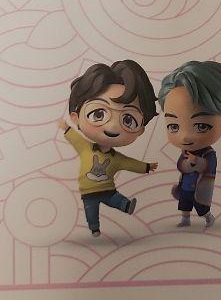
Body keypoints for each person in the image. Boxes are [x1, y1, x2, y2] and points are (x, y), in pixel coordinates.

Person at [59, 59, 159, 237]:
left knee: (116, 199)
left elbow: (130, 163)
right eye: (98, 113)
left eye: (128, 119)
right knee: (91, 211)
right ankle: (94, 228)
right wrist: (66, 128)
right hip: (88, 192)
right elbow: (75, 138)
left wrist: (146, 167)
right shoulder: (85, 148)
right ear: (76, 117)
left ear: (141, 128)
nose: (112, 127)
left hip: (108, 190)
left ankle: (126, 206)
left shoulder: (117, 158)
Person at [158, 60, 221, 229]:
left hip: (200, 186)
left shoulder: (208, 153)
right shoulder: (184, 152)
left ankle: (208, 217)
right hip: (186, 185)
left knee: (201, 206)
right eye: (174, 126)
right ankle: (185, 219)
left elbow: (210, 166)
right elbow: (180, 165)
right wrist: (186, 165)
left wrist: (198, 163)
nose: (185, 136)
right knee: (184, 202)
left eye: (201, 126)